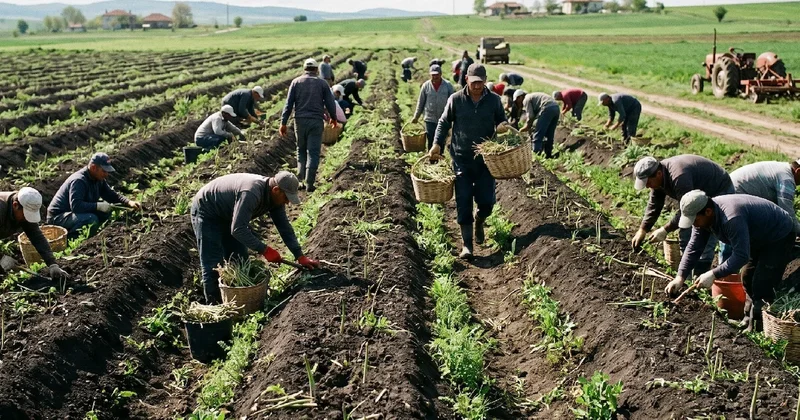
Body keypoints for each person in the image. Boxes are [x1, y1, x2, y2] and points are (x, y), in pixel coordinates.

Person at [665, 190, 795, 332]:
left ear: (708, 212)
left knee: (762, 283)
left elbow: (741, 256)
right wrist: (680, 277)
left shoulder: (731, 218)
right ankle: (747, 319)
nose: (694, 224)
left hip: (779, 235)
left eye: (695, 220)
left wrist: (713, 274)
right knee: (747, 277)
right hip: (757, 236)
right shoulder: (704, 218)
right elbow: (694, 247)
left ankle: (759, 328)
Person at [191, 172, 319, 304]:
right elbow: (238, 230)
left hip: (229, 214)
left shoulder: (275, 198)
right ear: (276, 190)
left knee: (239, 260)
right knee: (212, 264)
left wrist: (300, 256)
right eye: (286, 198)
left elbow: (284, 226)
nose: (287, 202)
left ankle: (238, 304)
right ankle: (215, 307)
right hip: (207, 211)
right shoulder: (251, 193)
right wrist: (265, 250)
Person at [429, 63, 508, 260]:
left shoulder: (494, 100)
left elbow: (502, 120)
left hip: (485, 160)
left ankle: (480, 220)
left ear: (485, 80)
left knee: (486, 202)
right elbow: (444, 122)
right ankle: (467, 245)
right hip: (461, 158)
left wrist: (502, 126)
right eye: (473, 82)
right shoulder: (456, 99)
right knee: (463, 201)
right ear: (466, 79)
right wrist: (437, 144)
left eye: (480, 82)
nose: (477, 86)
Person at [631, 155, 734, 276]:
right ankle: (687, 275)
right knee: (686, 232)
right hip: (696, 195)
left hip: (718, 190)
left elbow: (687, 211)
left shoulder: (679, 177)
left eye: (648, 182)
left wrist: (665, 229)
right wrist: (643, 229)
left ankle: (703, 274)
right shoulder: (659, 177)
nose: (647, 186)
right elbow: (655, 203)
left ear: (658, 174)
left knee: (707, 230)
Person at [47, 153, 141, 239]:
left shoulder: (98, 179)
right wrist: (97, 206)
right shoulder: (79, 181)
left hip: (73, 214)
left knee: (105, 212)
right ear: (93, 167)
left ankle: (90, 234)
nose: (106, 174)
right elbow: (76, 206)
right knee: (91, 219)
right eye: (104, 171)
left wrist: (128, 202)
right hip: (58, 217)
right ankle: (70, 240)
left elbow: (110, 194)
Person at [280, 59, 339, 193]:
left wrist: (283, 123)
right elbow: (330, 103)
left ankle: (300, 180)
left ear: (304, 69)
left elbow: (288, 104)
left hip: (299, 121)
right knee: (313, 152)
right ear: (317, 70)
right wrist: (334, 118)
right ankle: (310, 183)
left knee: (301, 150)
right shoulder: (322, 83)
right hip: (316, 121)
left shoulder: (296, 82)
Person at [0, 187, 68, 279]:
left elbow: (36, 236)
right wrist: (1, 258)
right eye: (26, 214)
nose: (27, 219)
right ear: (15, 205)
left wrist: (52, 264)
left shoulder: (23, 208)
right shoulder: (2, 209)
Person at [730, 160, 800, 233]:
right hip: (735, 196)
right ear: (798, 171)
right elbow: (787, 214)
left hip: (731, 190)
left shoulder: (783, 168)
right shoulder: (786, 179)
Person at [411, 64, 455, 150]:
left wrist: (453, 117)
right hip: (430, 119)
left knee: (441, 140)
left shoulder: (448, 85)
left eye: (436, 75)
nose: (435, 77)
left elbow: (453, 102)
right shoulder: (426, 86)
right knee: (431, 139)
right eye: (433, 75)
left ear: (440, 74)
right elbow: (421, 102)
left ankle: (440, 155)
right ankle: (431, 156)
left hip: (444, 118)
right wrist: (416, 117)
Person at [520, 92, 560, 159]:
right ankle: (548, 154)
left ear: (520, 97)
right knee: (550, 134)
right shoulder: (533, 96)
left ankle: (536, 156)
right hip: (556, 108)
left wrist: (526, 127)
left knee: (538, 134)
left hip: (547, 108)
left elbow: (530, 116)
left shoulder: (526, 99)